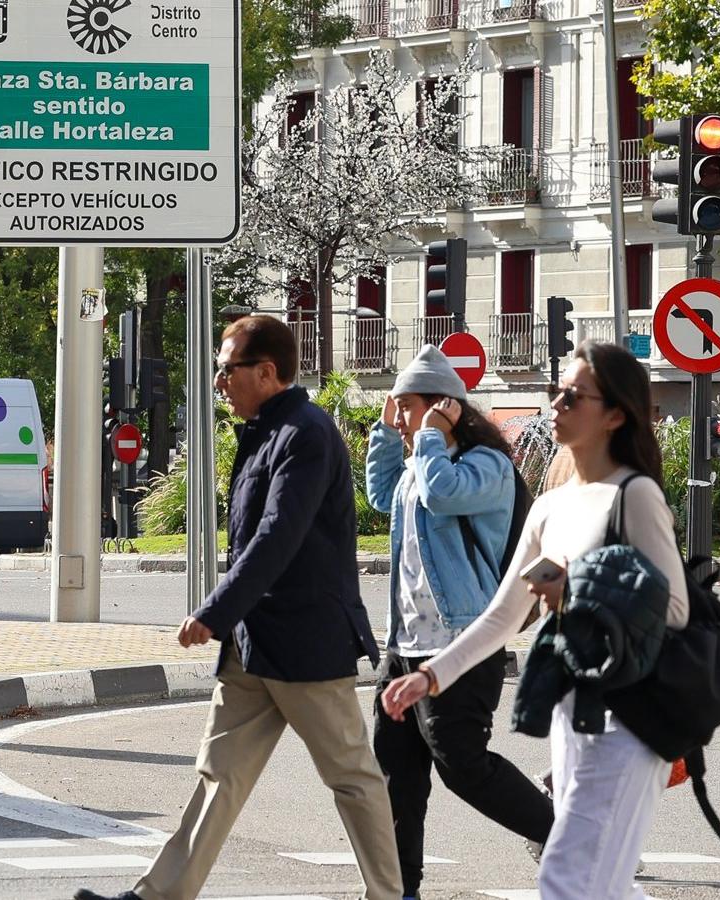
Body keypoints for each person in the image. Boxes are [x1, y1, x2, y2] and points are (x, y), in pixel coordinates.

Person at [76, 315, 402, 900]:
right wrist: (231, 618)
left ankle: (387, 894)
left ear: (267, 372)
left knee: (352, 778)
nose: (220, 382)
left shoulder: (306, 432)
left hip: (305, 642)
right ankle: (157, 897)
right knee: (217, 776)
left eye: (228, 369)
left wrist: (214, 610)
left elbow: (279, 534)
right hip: (253, 645)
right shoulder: (264, 430)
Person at [381, 341, 688, 900]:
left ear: (615, 414)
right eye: (555, 393)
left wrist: (582, 589)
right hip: (571, 710)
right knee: (581, 882)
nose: (555, 404)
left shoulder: (634, 497)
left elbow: (675, 609)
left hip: (626, 718)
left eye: (572, 395)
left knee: (582, 879)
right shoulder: (550, 505)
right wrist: (429, 677)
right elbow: (503, 614)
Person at [365, 346, 554, 900]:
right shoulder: (416, 467)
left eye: (409, 407)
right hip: (404, 645)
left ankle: (566, 833)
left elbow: (441, 494)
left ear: (444, 408)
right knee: (394, 774)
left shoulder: (485, 469)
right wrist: (385, 434)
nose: (401, 419)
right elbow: (383, 495)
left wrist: (428, 436)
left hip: (463, 643)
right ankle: (401, 889)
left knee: (462, 765)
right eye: (397, 408)